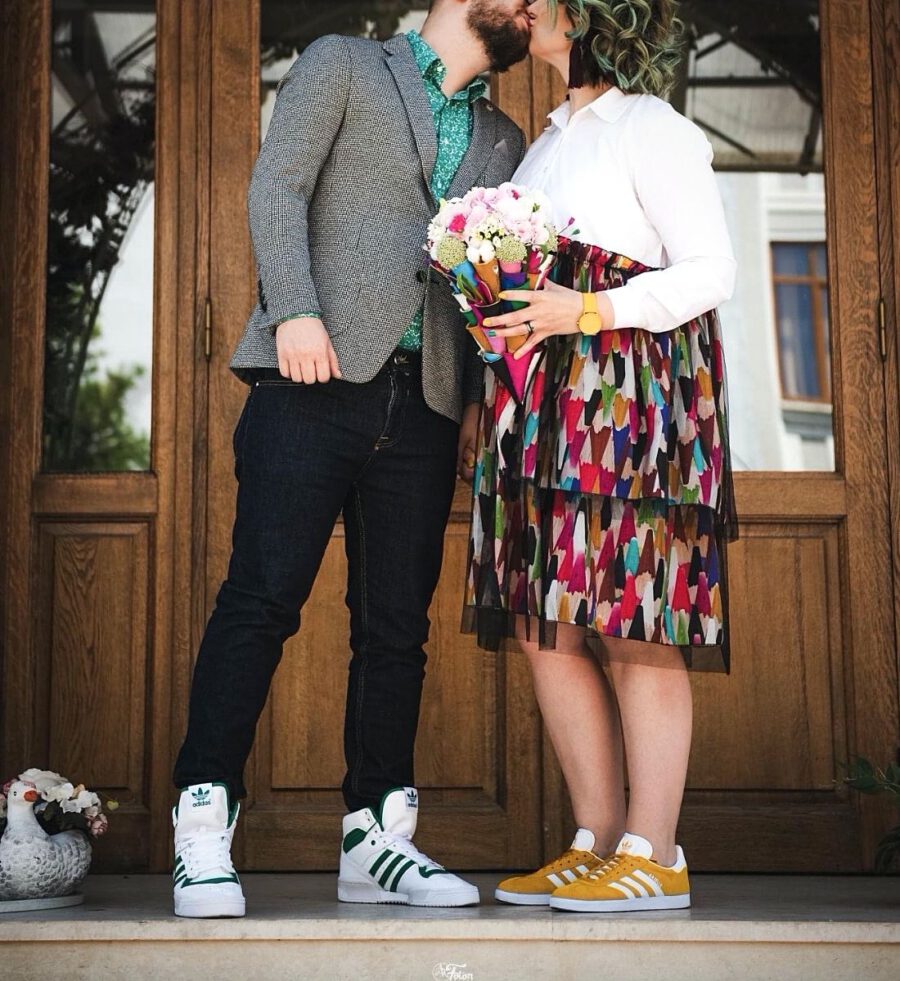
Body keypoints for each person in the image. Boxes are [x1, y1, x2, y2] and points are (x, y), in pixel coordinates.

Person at [170, 0, 531, 918]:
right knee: (260, 600)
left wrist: (476, 407)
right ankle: (203, 825)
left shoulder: (506, 136)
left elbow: (490, 283)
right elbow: (278, 185)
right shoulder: (342, 63)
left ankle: (377, 837)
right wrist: (293, 307)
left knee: (395, 631)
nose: (533, 8)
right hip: (312, 375)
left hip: (428, 402)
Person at [464, 0, 737, 912]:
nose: (528, 7)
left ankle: (655, 853)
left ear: (593, 17)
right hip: (539, 411)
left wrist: (578, 311)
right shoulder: (541, 144)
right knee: (549, 627)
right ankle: (597, 839)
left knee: (634, 619)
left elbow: (710, 270)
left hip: (627, 404)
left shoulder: (653, 128)